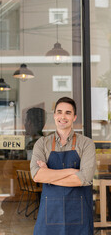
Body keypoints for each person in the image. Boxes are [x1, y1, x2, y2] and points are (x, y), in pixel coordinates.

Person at [30, 97, 96, 235]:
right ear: (54, 115)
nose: (63, 116)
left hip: (79, 213)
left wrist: (48, 174)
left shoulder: (86, 143)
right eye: (59, 112)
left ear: (74, 117)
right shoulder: (42, 143)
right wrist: (71, 171)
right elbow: (37, 175)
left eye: (68, 113)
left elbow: (83, 179)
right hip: (50, 213)